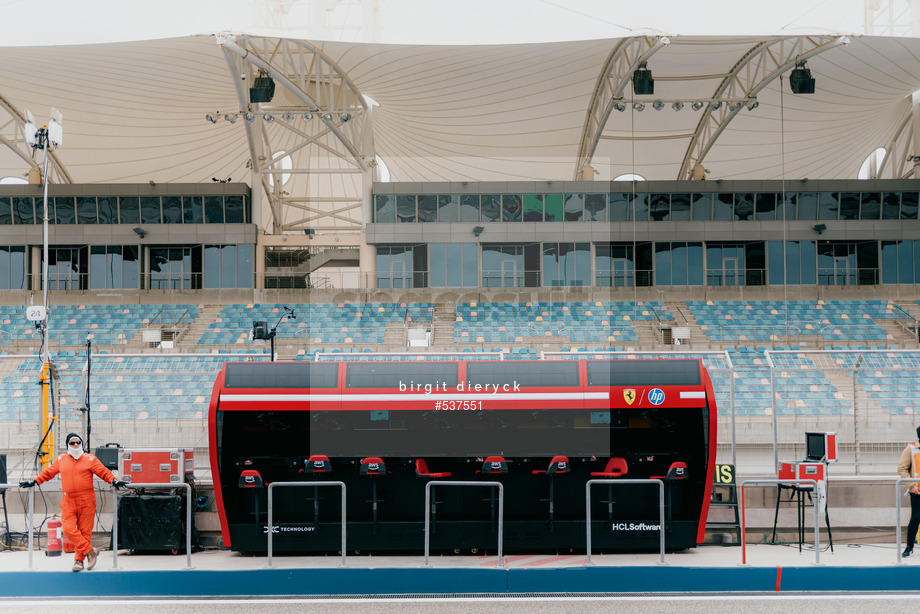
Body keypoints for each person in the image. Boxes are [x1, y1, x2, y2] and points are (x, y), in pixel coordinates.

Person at [19, 433, 126, 572]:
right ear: (67, 445)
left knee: (85, 532)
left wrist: (113, 480)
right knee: (69, 530)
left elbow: (103, 472)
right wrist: (34, 481)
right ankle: (90, 551)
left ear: (81, 444)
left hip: (87, 499)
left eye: (78, 442)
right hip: (68, 500)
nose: (75, 445)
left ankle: (78, 560)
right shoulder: (61, 459)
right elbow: (48, 473)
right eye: (72, 443)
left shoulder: (90, 459)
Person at [897, 426, 920, 557]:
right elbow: (902, 469)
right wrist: (911, 486)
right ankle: (909, 546)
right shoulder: (911, 449)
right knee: (916, 517)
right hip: (917, 490)